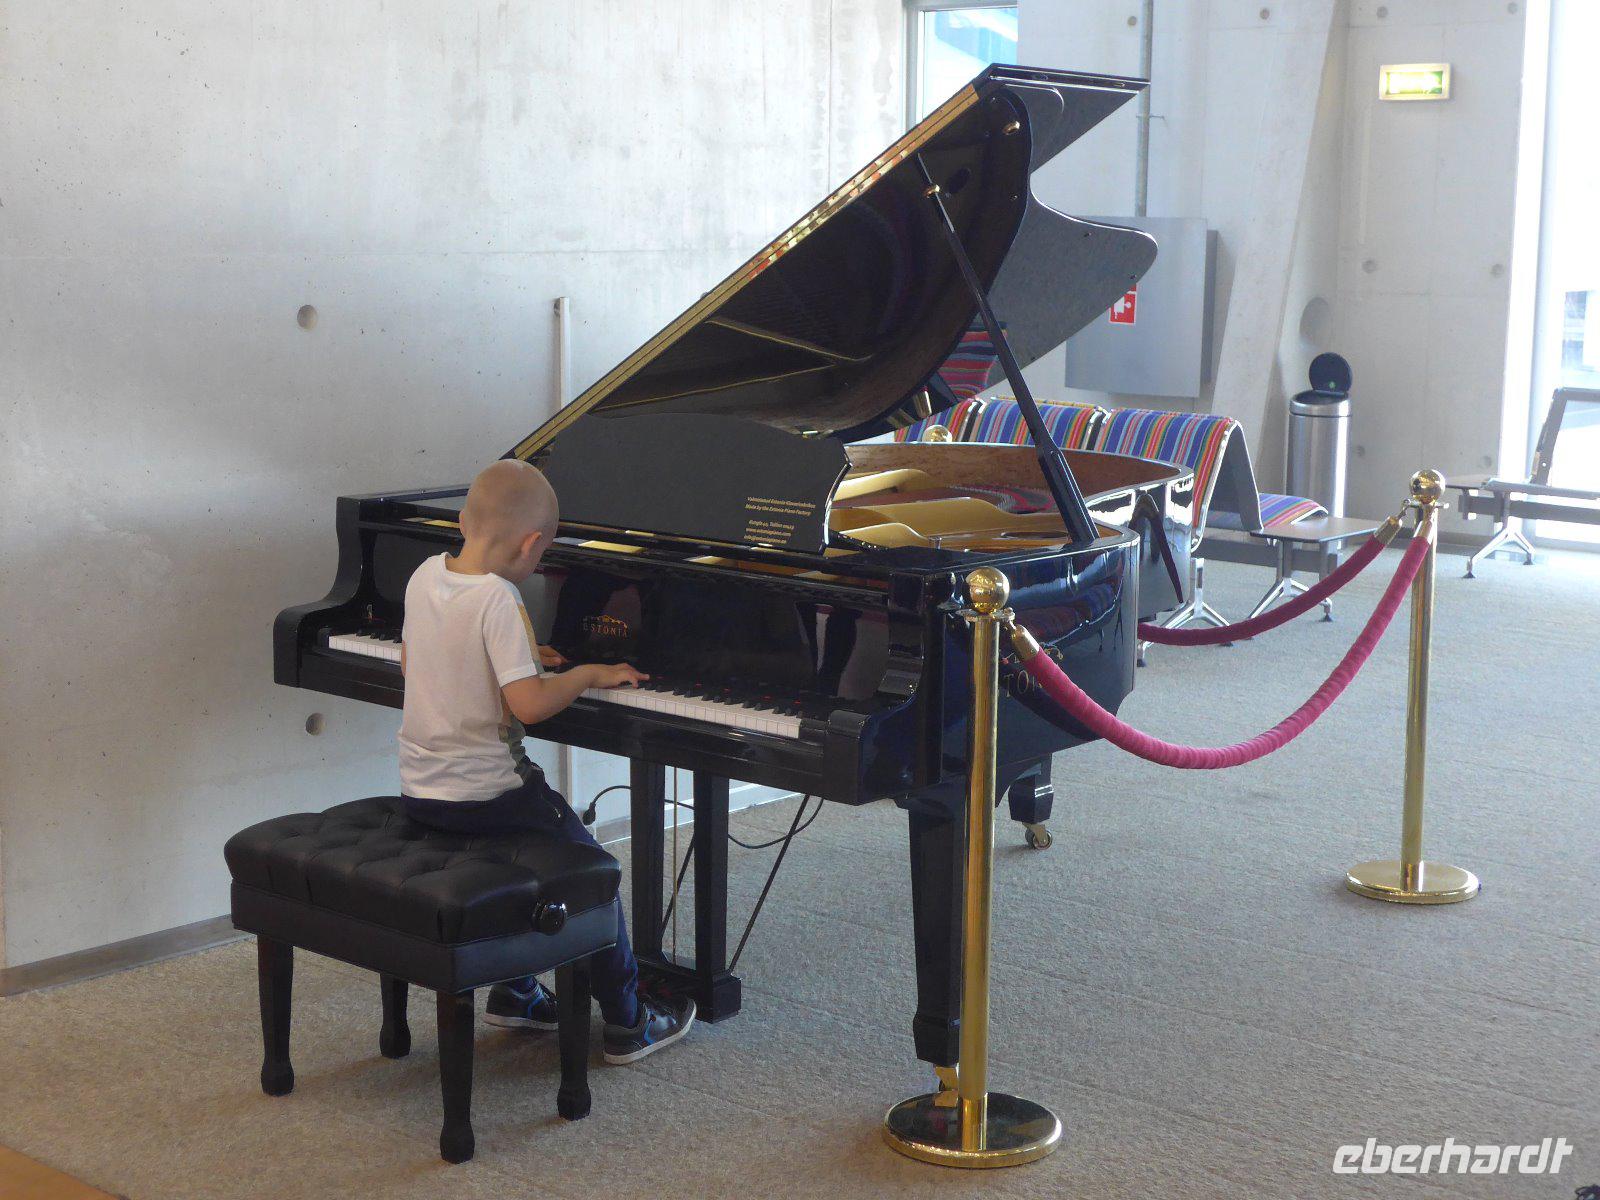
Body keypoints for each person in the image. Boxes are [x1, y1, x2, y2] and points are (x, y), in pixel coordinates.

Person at [397, 458, 693, 1064]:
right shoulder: (499, 598)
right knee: (593, 871)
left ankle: (517, 992)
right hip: (490, 798)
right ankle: (628, 1021)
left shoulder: (425, 575)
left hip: (421, 792)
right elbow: (529, 707)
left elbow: (414, 661)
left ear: (462, 521)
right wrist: (587, 673)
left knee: (532, 868)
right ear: (534, 543)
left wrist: (516, 652)